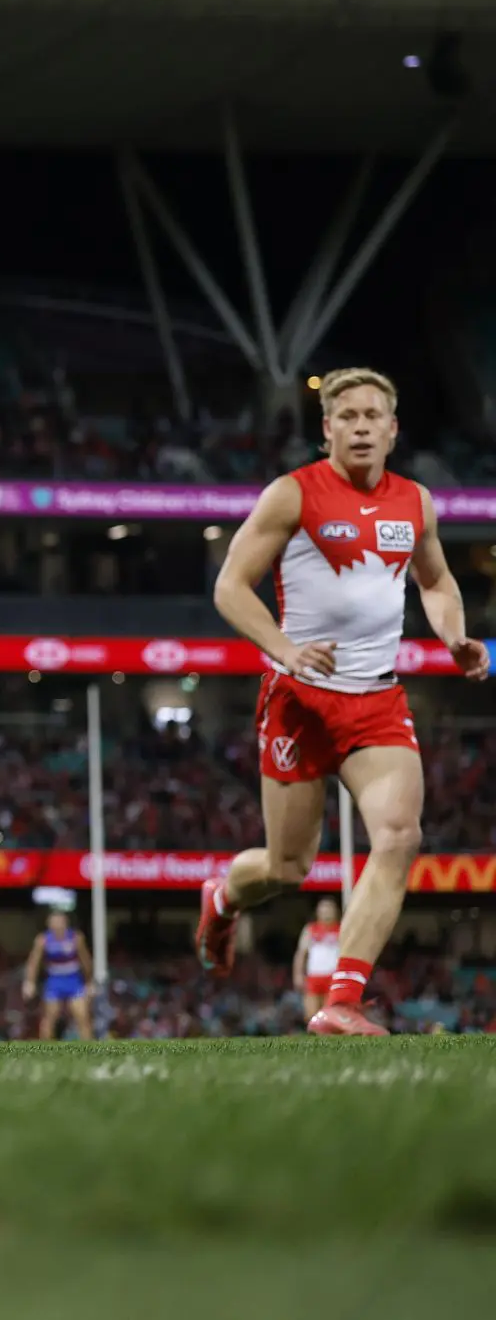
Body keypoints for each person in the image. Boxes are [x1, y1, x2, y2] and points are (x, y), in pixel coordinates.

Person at [197, 368, 486, 1037]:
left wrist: (453, 636)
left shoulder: (415, 502)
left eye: (371, 415)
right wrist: (285, 649)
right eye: (346, 415)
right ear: (327, 428)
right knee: (287, 866)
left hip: (377, 699)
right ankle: (222, 895)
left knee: (399, 834)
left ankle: (342, 999)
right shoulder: (291, 495)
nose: (360, 426)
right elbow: (231, 587)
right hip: (299, 699)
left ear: (392, 429)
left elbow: (437, 580)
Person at [21, 909, 93, 1041]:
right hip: (54, 981)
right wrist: (29, 982)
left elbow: (86, 961)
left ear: (66, 923)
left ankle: (89, 1047)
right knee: (49, 1017)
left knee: (82, 1016)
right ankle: (45, 1049)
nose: (58, 925)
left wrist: (89, 982)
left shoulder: (76, 938)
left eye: (60, 922)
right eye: (54, 922)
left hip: (73, 980)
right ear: (49, 924)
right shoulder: (43, 940)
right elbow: (33, 963)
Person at [293, 896, 343, 1024]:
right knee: (310, 1015)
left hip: (332, 977)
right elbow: (301, 953)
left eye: (329, 909)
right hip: (314, 977)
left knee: (330, 1014)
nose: (326, 913)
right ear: (318, 912)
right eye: (323, 910)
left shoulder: (341, 930)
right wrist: (298, 974)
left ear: (335, 911)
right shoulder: (310, 930)